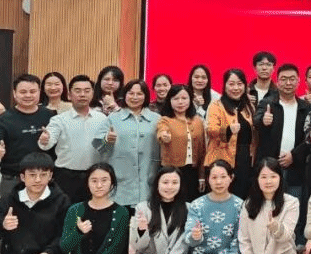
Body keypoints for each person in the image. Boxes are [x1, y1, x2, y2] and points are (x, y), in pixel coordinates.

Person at [255, 63, 311, 246]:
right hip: (271, 165)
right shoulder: (267, 103)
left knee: (295, 203)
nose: (288, 83)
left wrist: (294, 155)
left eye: (292, 79)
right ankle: (266, 241)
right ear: (277, 82)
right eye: (284, 79)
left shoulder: (305, 107)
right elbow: (257, 121)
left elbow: (309, 138)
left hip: (295, 164)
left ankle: (295, 241)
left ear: (299, 81)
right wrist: (263, 121)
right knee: (269, 203)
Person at [59, 163, 130, 254]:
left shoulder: (121, 212)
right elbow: (64, 247)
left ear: (112, 183)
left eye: (104, 180)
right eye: (94, 180)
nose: (99, 185)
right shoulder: (74, 210)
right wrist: (79, 232)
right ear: (87, 183)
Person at [238, 157, 300, 254]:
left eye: (273, 176)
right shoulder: (248, 204)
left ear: (280, 178)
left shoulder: (291, 203)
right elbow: (244, 240)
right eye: (264, 177)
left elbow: (286, 236)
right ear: (257, 180)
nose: (268, 181)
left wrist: (276, 227)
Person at [38, 75, 107, 204]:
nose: (82, 94)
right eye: (78, 91)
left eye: (87, 91)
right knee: (66, 212)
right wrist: (45, 140)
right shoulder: (59, 119)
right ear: (69, 95)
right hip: (66, 177)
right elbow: (48, 141)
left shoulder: (102, 118)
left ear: (92, 93)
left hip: (94, 175)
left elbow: (105, 148)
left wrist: (109, 141)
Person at [0, 73, 57, 199]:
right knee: (11, 211)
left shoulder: (50, 116)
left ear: (39, 92)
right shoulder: (4, 119)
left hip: (44, 179)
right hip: (13, 180)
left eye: (32, 91)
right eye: (23, 92)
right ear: (15, 93)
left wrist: (49, 140)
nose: (28, 95)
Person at [126, 166, 190, 254]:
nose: (170, 187)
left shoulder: (189, 209)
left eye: (175, 182)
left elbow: (181, 248)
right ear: (157, 184)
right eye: (165, 182)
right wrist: (142, 230)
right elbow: (138, 247)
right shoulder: (143, 207)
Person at [95, 79, 160, 208]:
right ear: (124, 95)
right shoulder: (113, 118)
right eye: (131, 93)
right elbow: (98, 146)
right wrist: (107, 140)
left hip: (148, 182)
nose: (135, 97)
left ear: (146, 96)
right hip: (121, 185)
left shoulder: (157, 119)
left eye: (139, 94)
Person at [184, 160, 243, 254]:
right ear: (208, 179)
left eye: (223, 177)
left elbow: (238, 244)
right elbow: (188, 239)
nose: (219, 182)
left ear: (231, 178)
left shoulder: (240, 206)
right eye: (214, 177)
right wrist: (195, 236)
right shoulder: (197, 205)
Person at [205, 68, 257, 200]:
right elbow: (211, 130)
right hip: (222, 159)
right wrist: (228, 130)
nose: (236, 88)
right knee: (222, 197)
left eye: (240, 84)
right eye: (231, 84)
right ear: (225, 85)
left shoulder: (248, 107)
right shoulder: (216, 106)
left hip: (245, 159)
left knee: (242, 198)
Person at [157, 83, 207, 196]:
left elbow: (202, 151)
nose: (180, 102)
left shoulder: (198, 121)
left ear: (190, 100)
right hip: (172, 172)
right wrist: (164, 135)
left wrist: (202, 176)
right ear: (169, 101)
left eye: (184, 98)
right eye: (176, 99)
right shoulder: (165, 120)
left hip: (193, 172)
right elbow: (162, 131)